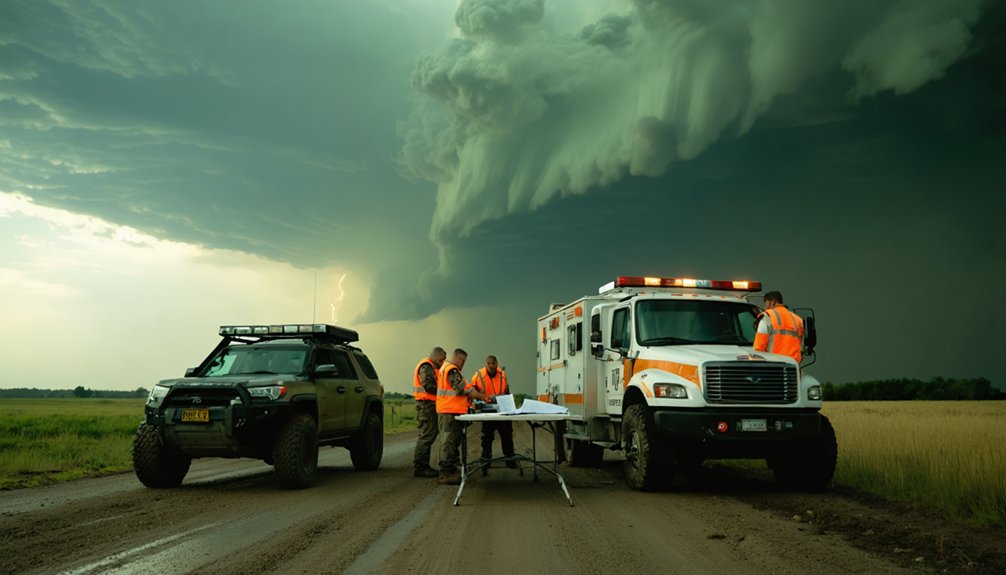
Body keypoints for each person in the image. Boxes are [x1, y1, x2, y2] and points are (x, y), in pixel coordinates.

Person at [436, 348, 486, 485]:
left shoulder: (445, 368)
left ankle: (451, 469)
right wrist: (483, 397)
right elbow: (463, 389)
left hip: (448, 410)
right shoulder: (451, 370)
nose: (463, 363)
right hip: (449, 412)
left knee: (451, 442)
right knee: (449, 443)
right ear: (458, 358)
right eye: (463, 361)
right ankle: (446, 474)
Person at [471, 355, 516, 468]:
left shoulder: (503, 375)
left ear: (497, 364)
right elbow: (472, 392)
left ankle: (510, 459)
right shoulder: (478, 375)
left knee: (507, 435)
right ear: (485, 364)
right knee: (487, 437)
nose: (491, 366)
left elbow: (506, 391)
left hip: (502, 411)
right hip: (487, 412)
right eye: (489, 363)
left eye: (493, 363)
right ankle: (486, 461)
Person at [412, 347, 446, 478]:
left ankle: (422, 466)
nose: (443, 362)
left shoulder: (431, 366)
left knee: (428, 435)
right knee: (427, 436)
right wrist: (443, 390)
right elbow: (428, 385)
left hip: (429, 405)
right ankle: (421, 467)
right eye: (442, 359)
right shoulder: (426, 366)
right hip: (427, 406)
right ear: (437, 357)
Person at [753, 291, 804, 363]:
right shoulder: (797, 319)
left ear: (772, 302)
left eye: (766, 303)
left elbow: (759, 347)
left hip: (774, 365)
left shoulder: (768, 317)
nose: (765, 307)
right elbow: (801, 347)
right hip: (793, 366)